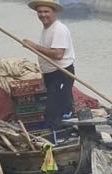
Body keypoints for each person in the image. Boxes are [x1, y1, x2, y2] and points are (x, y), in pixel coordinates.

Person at [22, 1, 76, 129]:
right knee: (58, 106)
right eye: (40, 12)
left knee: (54, 110)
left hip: (62, 73)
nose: (42, 15)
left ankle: (59, 137)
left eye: (46, 11)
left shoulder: (59, 29)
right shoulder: (47, 28)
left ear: (54, 12)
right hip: (50, 74)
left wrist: (34, 46)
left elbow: (58, 54)